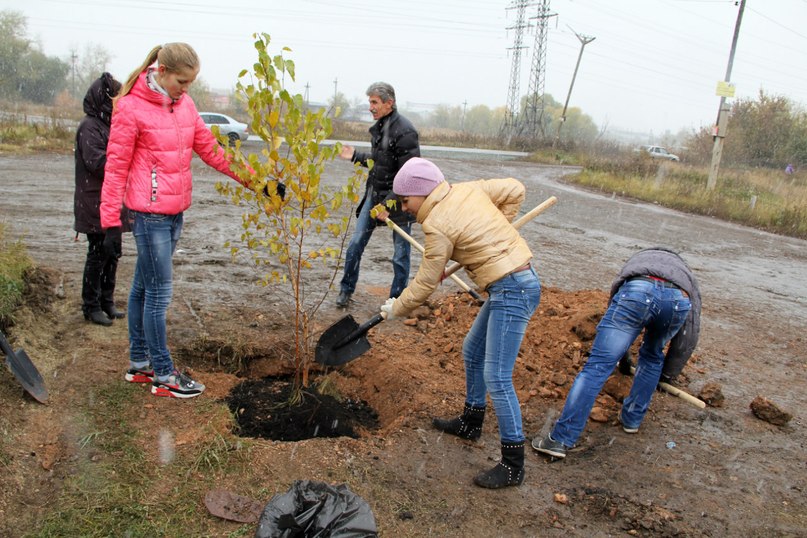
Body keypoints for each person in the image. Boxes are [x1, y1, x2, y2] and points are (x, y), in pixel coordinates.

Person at [100, 43, 262, 398]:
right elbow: (115, 168)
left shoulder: (185, 106)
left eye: (190, 83)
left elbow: (214, 152)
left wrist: (259, 182)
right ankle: (164, 373)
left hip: (175, 214)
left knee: (143, 289)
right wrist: (110, 222)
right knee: (158, 294)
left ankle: (140, 365)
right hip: (149, 216)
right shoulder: (130, 108)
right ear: (161, 71)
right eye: (182, 81)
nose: (186, 88)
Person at [379, 157, 541, 489]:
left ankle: (513, 465)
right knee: (472, 351)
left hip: (513, 288)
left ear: (422, 193)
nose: (405, 208)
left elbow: (424, 284)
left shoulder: (436, 224)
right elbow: (515, 189)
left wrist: (397, 307)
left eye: (406, 200)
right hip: (509, 283)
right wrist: (492, 237)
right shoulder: (470, 190)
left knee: (497, 376)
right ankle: (471, 421)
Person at [532, 248, 701, 460]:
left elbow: (616, 303)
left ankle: (560, 439)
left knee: (598, 365)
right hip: (676, 302)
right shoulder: (686, 276)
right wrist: (668, 375)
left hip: (637, 292)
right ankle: (632, 420)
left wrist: (619, 354)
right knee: (652, 355)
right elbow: (690, 333)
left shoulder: (637, 262)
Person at [336, 82, 420, 308]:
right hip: (374, 196)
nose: (370, 107)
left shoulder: (406, 131)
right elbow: (379, 163)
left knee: (400, 254)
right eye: (370, 102)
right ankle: (346, 289)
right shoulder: (380, 128)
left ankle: (397, 299)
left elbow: (409, 175)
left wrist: (388, 203)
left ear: (389, 103)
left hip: (400, 201)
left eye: (374, 102)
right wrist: (355, 155)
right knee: (355, 245)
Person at [74, 72, 125, 327]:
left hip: (111, 201)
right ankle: (91, 306)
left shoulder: (109, 124)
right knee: (97, 254)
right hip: (94, 202)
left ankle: (107, 301)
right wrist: (125, 164)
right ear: (104, 99)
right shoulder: (89, 127)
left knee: (112, 253)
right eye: (116, 98)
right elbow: (97, 163)